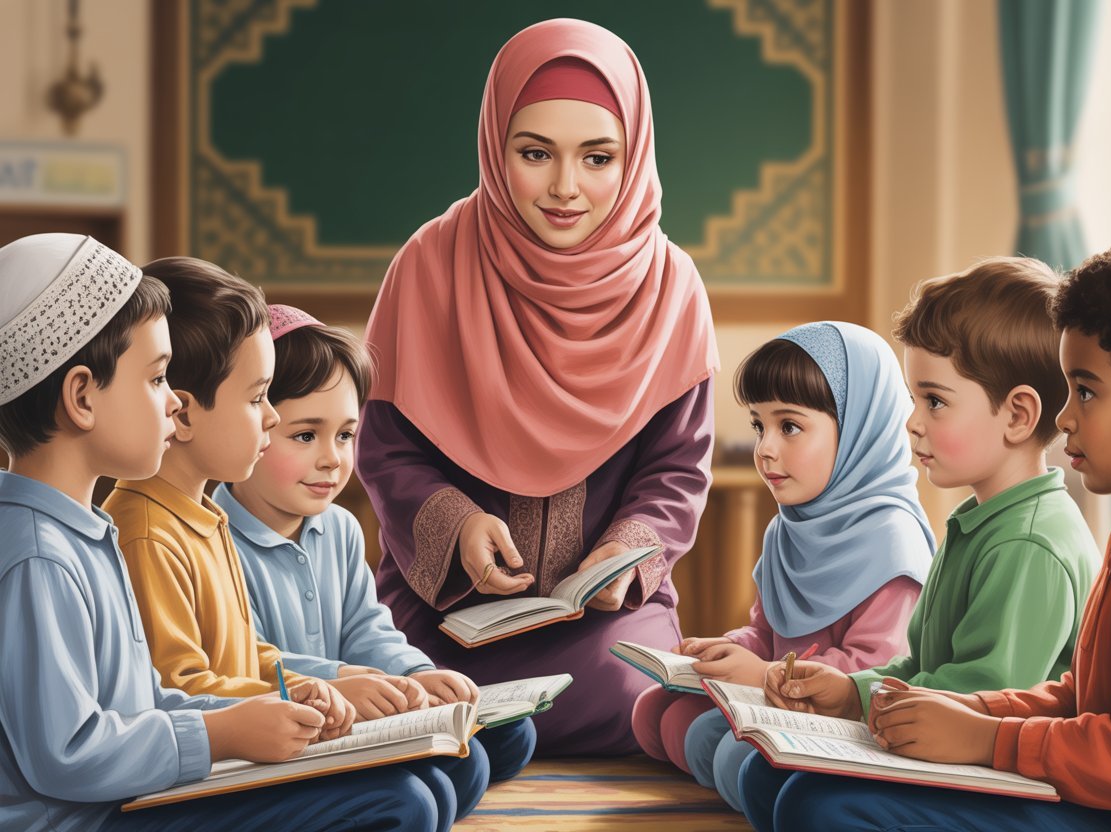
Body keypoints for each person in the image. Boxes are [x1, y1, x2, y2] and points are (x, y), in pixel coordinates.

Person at [358, 18, 718, 755]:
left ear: (634, 155)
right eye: (534, 153)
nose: (564, 188)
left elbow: (677, 467)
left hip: (604, 624)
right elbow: (384, 450)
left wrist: (623, 553)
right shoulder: (429, 266)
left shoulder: (671, 287)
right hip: (447, 614)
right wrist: (456, 525)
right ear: (495, 147)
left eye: (597, 157)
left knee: (640, 695)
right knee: (410, 687)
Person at [0, 234, 436, 832]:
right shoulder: (39, 558)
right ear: (81, 397)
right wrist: (221, 732)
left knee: (413, 790)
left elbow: (147, 701)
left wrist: (264, 707)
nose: (171, 404)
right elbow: (67, 755)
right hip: (91, 819)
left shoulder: (86, 531)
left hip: (129, 798)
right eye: (155, 380)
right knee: (397, 803)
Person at [740, 257, 1100, 832]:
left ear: (1017, 415)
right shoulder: (976, 520)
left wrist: (867, 706)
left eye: (933, 401)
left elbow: (983, 692)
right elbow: (925, 665)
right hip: (947, 743)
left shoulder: (1031, 542)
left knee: (811, 806)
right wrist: (851, 693)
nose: (911, 423)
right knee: (764, 778)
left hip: (1010, 774)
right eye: (912, 400)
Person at [214, 304, 535, 784]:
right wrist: (344, 681)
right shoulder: (211, 536)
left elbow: (367, 628)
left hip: (357, 705)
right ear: (253, 427)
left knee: (514, 734)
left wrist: (414, 674)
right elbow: (246, 660)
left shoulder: (339, 528)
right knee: (451, 775)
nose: (332, 460)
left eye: (345, 435)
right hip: (288, 729)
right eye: (305, 435)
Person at [633, 322, 932, 812]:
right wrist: (728, 650)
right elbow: (767, 633)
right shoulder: (787, 531)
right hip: (778, 696)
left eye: (789, 426)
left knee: (723, 745)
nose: (765, 448)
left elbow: (875, 673)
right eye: (759, 425)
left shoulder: (892, 542)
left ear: (859, 426)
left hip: (842, 718)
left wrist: (765, 673)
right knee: (655, 710)